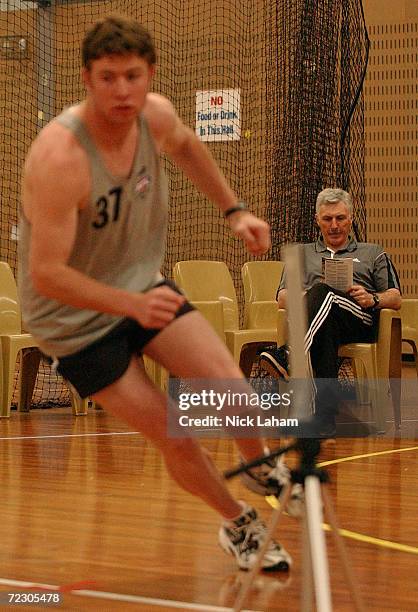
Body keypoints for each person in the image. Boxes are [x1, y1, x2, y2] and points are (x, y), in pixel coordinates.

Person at [18, 15, 302, 573]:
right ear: (86, 79)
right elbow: (47, 273)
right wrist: (131, 305)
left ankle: (260, 465)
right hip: (71, 322)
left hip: (138, 283)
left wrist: (235, 210)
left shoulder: (157, 116)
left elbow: (189, 146)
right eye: (107, 78)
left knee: (228, 386)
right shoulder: (59, 158)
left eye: (132, 76)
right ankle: (236, 521)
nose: (121, 91)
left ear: (150, 75)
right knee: (174, 428)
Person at [259, 187, 401, 437]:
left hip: (359, 317)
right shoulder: (303, 253)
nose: (334, 225)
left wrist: (371, 298)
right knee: (322, 301)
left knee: (326, 294)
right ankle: (324, 419)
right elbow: (282, 297)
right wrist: (309, 296)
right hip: (321, 323)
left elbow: (395, 296)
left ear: (350, 218)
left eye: (340, 218)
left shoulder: (373, 252)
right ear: (317, 220)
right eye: (327, 219)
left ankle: (289, 353)